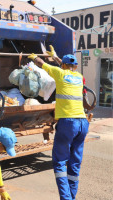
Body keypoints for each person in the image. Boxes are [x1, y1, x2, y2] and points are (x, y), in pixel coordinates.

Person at [28, 46, 89, 200]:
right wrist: (55, 56)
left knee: (60, 163)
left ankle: (66, 198)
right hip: (82, 123)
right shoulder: (79, 76)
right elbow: (66, 65)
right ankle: (71, 197)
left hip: (68, 124)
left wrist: (34, 57)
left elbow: (42, 64)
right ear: (75, 67)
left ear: (63, 66)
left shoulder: (59, 73)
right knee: (74, 163)